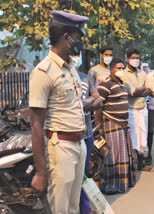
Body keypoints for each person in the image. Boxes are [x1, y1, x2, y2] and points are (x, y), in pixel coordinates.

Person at [29, 11, 89, 213]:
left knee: (73, 207)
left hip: (79, 144)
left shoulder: (70, 67)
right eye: (79, 37)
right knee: (60, 208)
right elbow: (36, 124)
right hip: (60, 147)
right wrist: (41, 172)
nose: (81, 42)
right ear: (67, 38)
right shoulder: (43, 72)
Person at [96, 59, 136, 194]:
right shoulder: (105, 85)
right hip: (111, 123)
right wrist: (100, 126)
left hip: (123, 125)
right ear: (111, 70)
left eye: (123, 68)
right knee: (112, 155)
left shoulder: (123, 85)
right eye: (119, 68)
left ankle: (122, 184)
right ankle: (109, 186)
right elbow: (98, 107)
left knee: (123, 154)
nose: (121, 70)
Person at [71, 55, 103, 214]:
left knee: (82, 175)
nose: (73, 57)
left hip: (86, 134)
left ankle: (85, 209)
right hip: (67, 136)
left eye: (76, 55)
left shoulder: (86, 77)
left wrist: (84, 103)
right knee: (69, 177)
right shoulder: (61, 77)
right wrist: (89, 101)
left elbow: (99, 101)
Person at [122, 48, 153, 171]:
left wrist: (137, 92)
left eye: (137, 58)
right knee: (133, 138)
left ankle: (141, 163)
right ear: (127, 59)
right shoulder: (124, 74)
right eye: (133, 58)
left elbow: (149, 89)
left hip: (143, 108)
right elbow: (129, 92)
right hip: (131, 110)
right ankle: (132, 165)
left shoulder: (142, 73)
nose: (136, 60)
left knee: (142, 137)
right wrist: (138, 91)